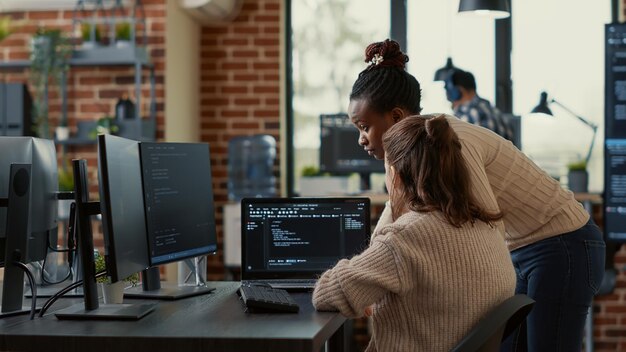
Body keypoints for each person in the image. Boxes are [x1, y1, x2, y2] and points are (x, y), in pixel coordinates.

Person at [344, 38, 605, 351]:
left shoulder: (447, 143)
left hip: (564, 243)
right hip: (520, 248)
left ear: (396, 117)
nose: (360, 139)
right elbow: (397, 211)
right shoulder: (412, 148)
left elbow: (479, 222)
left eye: (364, 126)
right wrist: (372, 275)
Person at [312, 115, 516, 351]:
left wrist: (395, 201)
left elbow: (326, 295)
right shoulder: (485, 226)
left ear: (395, 176)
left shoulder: (407, 238)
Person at [445, 68, 514, 141]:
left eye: (448, 92)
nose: (448, 98)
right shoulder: (496, 112)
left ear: (457, 91)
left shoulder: (466, 116)